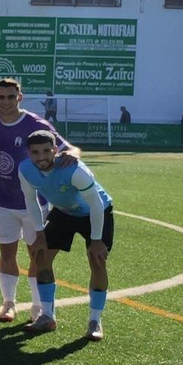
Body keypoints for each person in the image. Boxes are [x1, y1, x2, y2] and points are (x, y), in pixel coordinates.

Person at [0, 78, 71, 322]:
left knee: (38, 254)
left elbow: (66, 147)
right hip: (3, 201)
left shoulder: (35, 124)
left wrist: (72, 156)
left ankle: (36, 306)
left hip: (36, 202)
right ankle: (9, 304)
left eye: (11, 97)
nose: (6, 102)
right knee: (6, 253)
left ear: (20, 97)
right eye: (1, 97)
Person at [18, 130, 115, 340]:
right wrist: (39, 232)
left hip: (95, 213)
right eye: (35, 152)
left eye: (46, 150)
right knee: (40, 256)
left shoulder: (74, 170)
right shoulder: (25, 169)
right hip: (64, 212)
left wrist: (97, 240)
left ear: (55, 150)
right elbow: (30, 200)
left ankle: (95, 321)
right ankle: (47, 317)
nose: (41, 156)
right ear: (29, 153)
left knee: (97, 261)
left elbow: (96, 204)